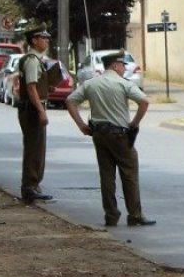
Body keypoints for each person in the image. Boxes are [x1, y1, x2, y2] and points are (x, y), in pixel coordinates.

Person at [66, 49, 155, 227]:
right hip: (120, 134)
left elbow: (70, 101)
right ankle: (135, 215)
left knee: (106, 175)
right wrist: (134, 123)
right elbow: (144, 102)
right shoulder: (123, 84)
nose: (124, 68)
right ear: (115, 65)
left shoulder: (91, 83)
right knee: (129, 174)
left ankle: (111, 215)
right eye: (123, 65)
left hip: (99, 134)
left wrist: (81, 125)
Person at [17, 23, 53, 204]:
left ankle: (34, 185)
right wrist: (41, 111)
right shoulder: (32, 60)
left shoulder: (36, 59)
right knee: (34, 149)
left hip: (32, 108)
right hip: (31, 110)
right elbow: (31, 88)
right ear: (34, 40)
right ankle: (30, 187)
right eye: (43, 38)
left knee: (37, 149)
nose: (47, 40)